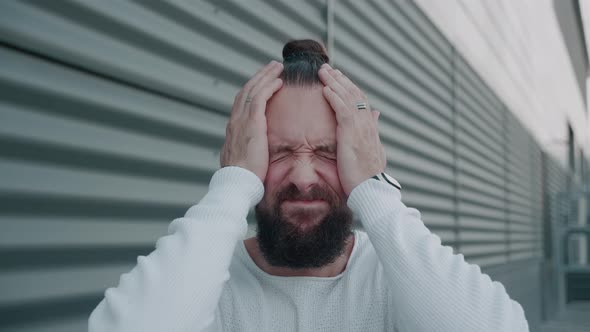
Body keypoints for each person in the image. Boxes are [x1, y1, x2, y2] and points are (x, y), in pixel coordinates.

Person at [88, 39, 529, 331]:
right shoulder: (207, 283)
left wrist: (376, 188)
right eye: (278, 153)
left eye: (327, 152)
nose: (302, 178)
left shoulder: (396, 277)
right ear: (246, 155)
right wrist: (230, 185)